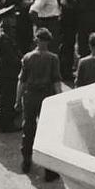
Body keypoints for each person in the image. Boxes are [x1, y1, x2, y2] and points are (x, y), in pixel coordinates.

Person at [17, 28, 62, 178]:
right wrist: (60, 100)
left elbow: (22, 82)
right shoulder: (53, 58)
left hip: (30, 96)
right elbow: (56, 82)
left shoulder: (27, 57)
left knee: (28, 129)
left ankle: (27, 161)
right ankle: (49, 170)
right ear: (48, 41)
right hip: (46, 96)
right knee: (48, 132)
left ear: (36, 40)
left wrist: (18, 100)